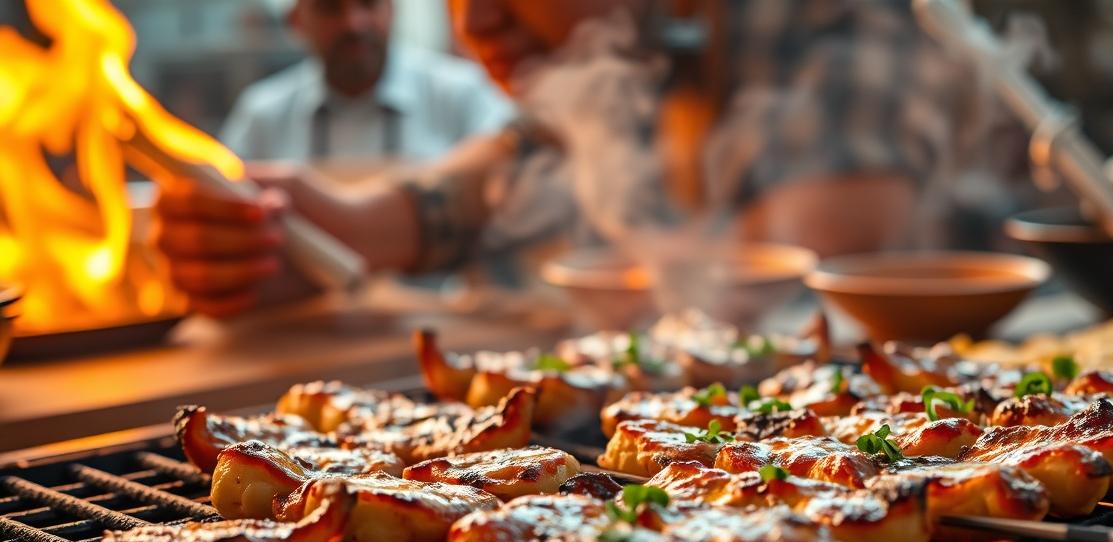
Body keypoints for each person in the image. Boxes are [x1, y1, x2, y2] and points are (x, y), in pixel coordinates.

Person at [156, 1, 970, 317]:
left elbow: (796, 258)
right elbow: (495, 178)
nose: (474, 23)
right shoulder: (612, 58)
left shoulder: (839, 18)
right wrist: (330, 231)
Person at [220, 0, 514, 162]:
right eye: (330, 8)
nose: (353, 24)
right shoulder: (262, 115)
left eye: (368, 3)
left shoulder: (462, 94)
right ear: (296, 22)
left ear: (392, 9)